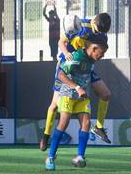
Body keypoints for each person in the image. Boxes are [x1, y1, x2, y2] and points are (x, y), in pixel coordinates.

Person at [40, 13, 112, 151]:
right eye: (97, 29)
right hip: (67, 66)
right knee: (54, 106)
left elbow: (98, 52)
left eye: (101, 32)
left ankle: (99, 127)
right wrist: (67, 53)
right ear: (94, 20)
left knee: (106, 94)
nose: (98, 33)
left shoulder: (103, 35)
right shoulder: (79, 25)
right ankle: (46, 135)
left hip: (85, 68)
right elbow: (61, 42)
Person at [45, 39, 108, 170]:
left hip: (82, 96)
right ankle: (50, 157)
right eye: (101, 54)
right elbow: (61, 75)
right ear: (93, 49)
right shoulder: (77, 56)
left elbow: (86, 75)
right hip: (68, 93)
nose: (102, 57)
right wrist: (77, 87)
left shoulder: (92, 60)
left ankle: (80, 156)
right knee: (64, 123)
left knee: (86, 123)